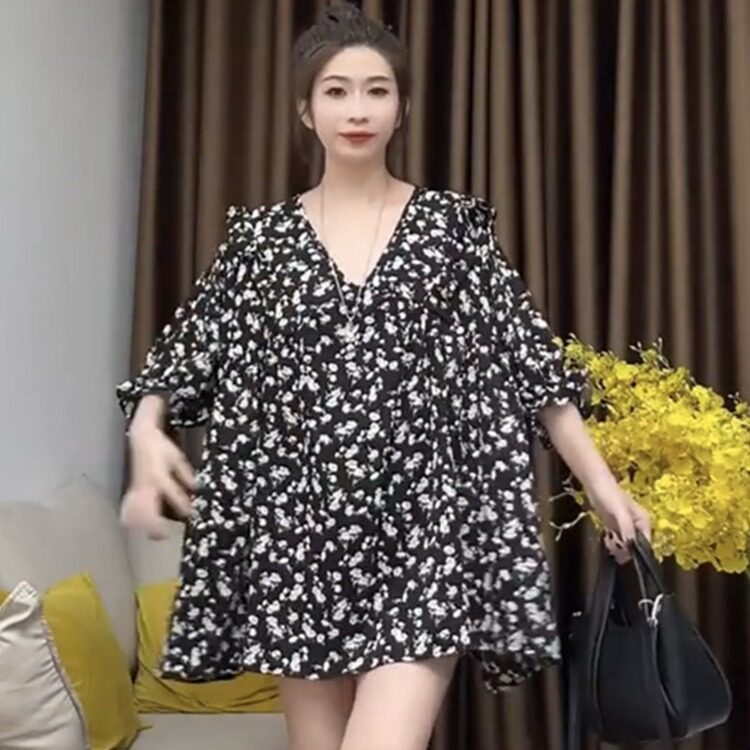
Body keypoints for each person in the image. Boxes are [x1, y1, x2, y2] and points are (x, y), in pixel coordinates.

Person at [116, 4, 651, 750]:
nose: (358, 109)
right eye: (336, 91)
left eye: (377, 90)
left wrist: (604, 489)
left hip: (423, 539)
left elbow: (531, 365)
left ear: (401, 108)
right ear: (306, 111)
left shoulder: (451, 231)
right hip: (298, 543)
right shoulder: (260, 242)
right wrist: (147, 432)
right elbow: (183, 354)